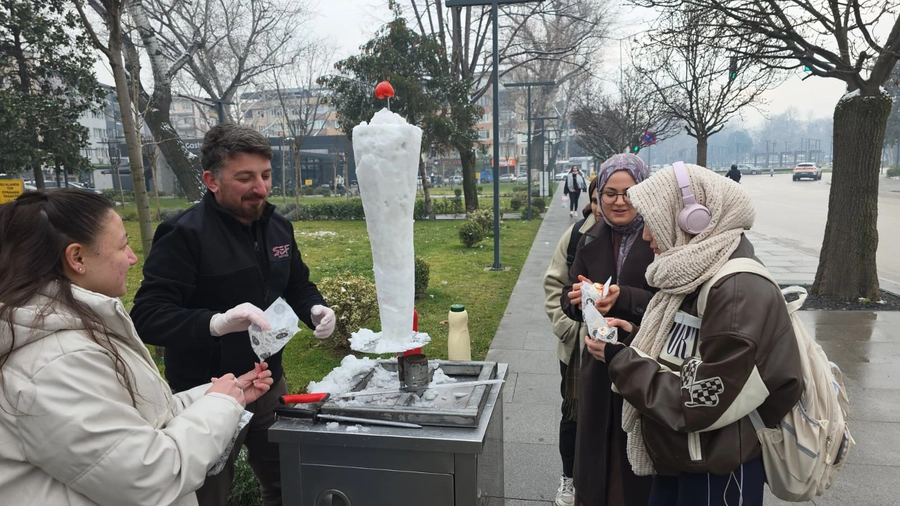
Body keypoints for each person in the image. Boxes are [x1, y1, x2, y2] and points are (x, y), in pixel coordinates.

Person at [0, 189, 274, 506]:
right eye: (121, 246)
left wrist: (222, 394)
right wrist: (221, 407)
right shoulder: (55, 363)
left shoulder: (76, 329)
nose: (132, 257)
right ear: (77, 258)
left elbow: (141, 419)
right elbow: (149, 477)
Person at [130, 124, 336, 506]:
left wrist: (315, 308)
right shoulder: (183, 234)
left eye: (266, 175)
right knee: (207, 495)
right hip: (205, 392)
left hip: (268, 381)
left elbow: (296, 284)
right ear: (212, 180)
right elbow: (147, 316)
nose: (260, 188)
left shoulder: (277, 226)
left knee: (285, 483)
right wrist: (216, 323)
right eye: (245, 178)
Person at [586, 163, 804, 506]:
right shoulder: (695, 273)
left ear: (694, 221)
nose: (646, 236)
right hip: (687, 457)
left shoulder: (736, 291)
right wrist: (631, 341)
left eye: (654, 222)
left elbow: (698, 400)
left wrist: (621, 360)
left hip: (717, 469)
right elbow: (687, 354)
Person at [561, 153, 656, 506]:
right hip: (598, 364)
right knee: (597, 449)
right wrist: (577, 299)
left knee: (633, 454)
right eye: (610, 193)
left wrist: (623, 297)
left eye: (629, 193)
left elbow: (673, 302)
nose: (619, 202)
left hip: (643, 359)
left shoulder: (659, 238)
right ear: (598, 195)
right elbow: (567, 300)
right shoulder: (591, 237)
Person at [542, 176, 602, 506]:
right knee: (574, 414)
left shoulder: (641, 237)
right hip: (576, 348)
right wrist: (568, 328)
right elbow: (554, 285)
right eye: (601, 197)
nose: (610, 203)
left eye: (625, 195)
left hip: (626, 347)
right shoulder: (578, 235)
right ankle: (570, 478)